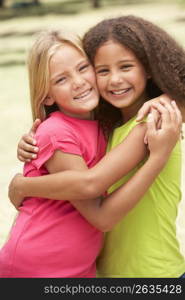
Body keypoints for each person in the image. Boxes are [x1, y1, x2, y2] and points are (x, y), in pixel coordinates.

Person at [8, 15, 185, 278]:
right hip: (97, 274)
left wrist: (22, 185)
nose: (114, 80)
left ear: (148, 68)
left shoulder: (153, 121)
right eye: (103, 70)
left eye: (126, 67)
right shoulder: (106, 128)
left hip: (153, 274)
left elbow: (92, 190)